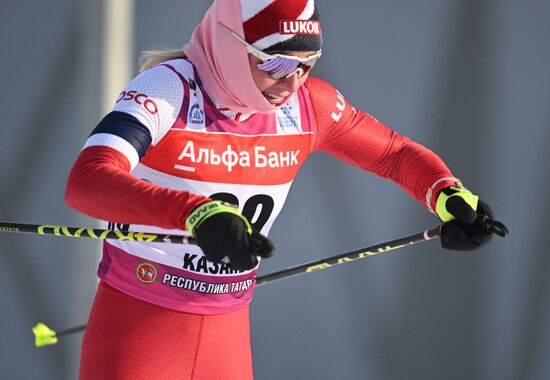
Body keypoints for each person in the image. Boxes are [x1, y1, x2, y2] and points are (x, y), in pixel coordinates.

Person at [64, 0, 506, 378]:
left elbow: (393, 154)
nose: (292, 82)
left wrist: (445, 194)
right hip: (139, 328)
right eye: (275, 63)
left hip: (227, 337)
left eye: (306, 66)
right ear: (229, 43)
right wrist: (194, 213)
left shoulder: (308, 106)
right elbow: (88, 181)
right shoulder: (169, 89)